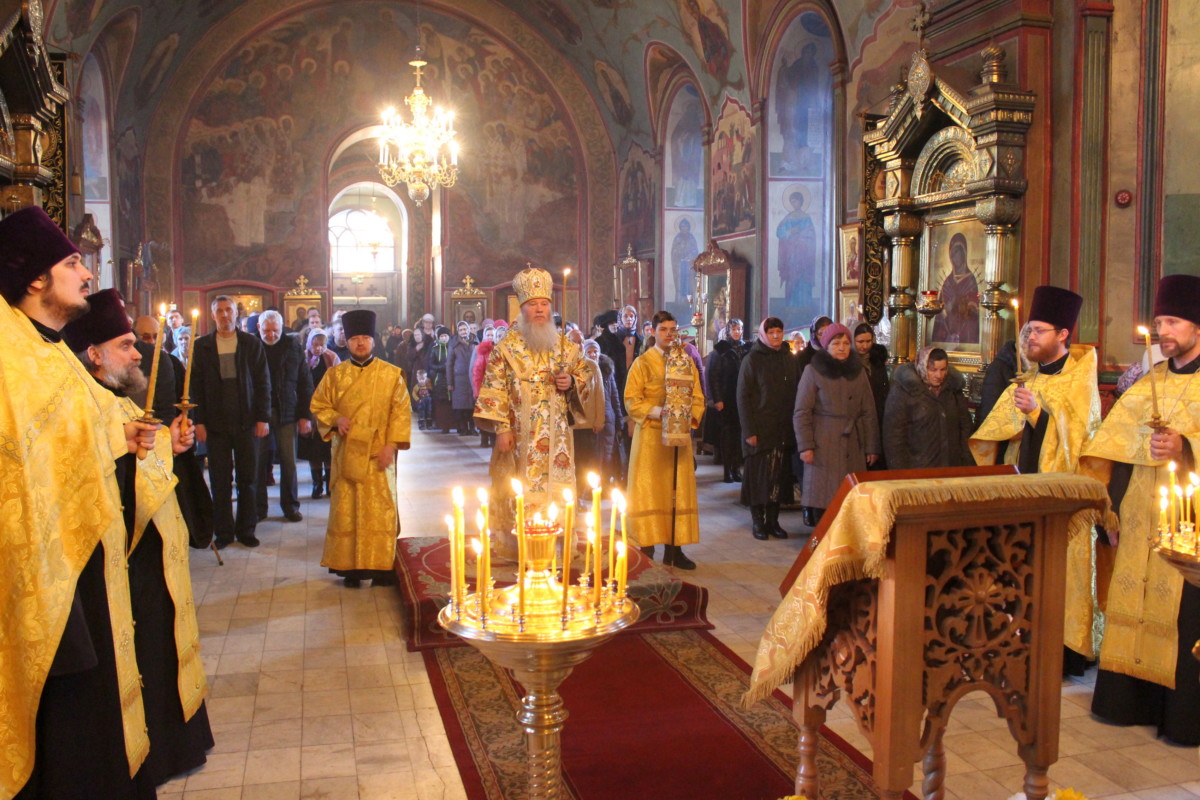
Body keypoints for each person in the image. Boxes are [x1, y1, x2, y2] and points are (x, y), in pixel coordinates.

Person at [0, 206, 153, 799]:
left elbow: (72, 436)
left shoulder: (54, 351)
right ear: (36, 278)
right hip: (36, 568)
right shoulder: (10, 356)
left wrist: (119, 437)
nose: (86, 273)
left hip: (80, 557)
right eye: (72, 263)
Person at [62, 289, 215, 788]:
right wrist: (159, 450)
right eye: (127, 344)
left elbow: (140, 467)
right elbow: (103, 482)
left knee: (162, 644)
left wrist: (170, 446)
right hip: (122, 563)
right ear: (95, 354)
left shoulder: (115, 400)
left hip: (148, 558)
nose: (137, 354)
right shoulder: (90, 405)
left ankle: (175, 739)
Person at [1080, 274, 1200, 746]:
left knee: (1182, 615)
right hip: (1140, 517)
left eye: (1173, 321)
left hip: (1187, 525)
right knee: (1135, 602)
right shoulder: (1151, 379)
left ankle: (1183, 716)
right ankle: (1129, 702)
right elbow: (1113, 444)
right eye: (1160, 322)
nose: (1163, 330)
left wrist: (1186, 447)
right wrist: (1111, 511)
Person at [970, 286, 1101, 671]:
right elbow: (1002, 433)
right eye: (1029, 330)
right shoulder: (1030, 377)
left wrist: (1039, 416)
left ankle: (1063, 651)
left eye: (1039, 330)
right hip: (1024, 490)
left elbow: (1078, 441)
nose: (1030, 337)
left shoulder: (1079, 379)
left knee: (1059, 573)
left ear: (1062, 335)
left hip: (1062, 504)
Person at [475, 266, 594, 514]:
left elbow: (586, 375)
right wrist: (502, 429)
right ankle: (518, 544)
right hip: (519, 434)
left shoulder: (565, 346)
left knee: (557, 495)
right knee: (518, 490)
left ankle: (555, 542)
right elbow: (495, 389)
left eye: (544, 304)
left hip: (557, 437)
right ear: (522, 308)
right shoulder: (505, 348)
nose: (539, 309)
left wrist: (571, 382)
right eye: (532, 304)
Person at [309, 310, 412, 588]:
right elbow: (319, 405)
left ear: (374, 341)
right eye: (355, 338)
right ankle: (350, 568)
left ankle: (381, 567)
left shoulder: (392, 376)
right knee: (348, 509)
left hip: (380, 454)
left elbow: (401, 413)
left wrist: (392, 445)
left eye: (365, 337)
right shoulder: (334, 375)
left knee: (380, 509)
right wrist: (336, 419)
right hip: (347, 454)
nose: (360, 343)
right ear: (346, 341)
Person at [625, 311, 706, 569]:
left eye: (673, 330)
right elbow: (631, 400)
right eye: (664, 330)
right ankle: (646, 548)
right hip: (650, 437)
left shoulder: (686, 362)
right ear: (653, 331)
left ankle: (675, 549)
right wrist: (660, 411)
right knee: (650, 491)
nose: (670, 334)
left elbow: (698, 396)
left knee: (676, 491)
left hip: (678, 437)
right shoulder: (642, 363)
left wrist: (686, 417)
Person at [191, 295, 272, 548]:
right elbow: (195, 387)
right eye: (220, 311)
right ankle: (224, 531)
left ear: (236, 314)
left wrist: (263, 417)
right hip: (215, 424)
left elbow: (262, 383)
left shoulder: (251, 343)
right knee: (219, 479)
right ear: (212, 315)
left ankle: (247, 529)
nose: (225, 315)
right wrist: (199, 421)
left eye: (229, 310)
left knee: (248, 478)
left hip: (246, 421)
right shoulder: (202, 346)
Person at [792, 323, 880, 525]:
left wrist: (871, 446)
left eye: (846, 343)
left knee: (850, 498)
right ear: (826, 345)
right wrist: (806, 445)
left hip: (853, 442)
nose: (842, 347)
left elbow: (868, 411)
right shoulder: (813, 371)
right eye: (836, 343)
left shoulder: (858, 372)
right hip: (824, 442)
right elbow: (802, 412)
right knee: (825, 497)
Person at [738, 317, 800, 540]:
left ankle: (773, 521)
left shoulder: (788, 358)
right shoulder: (752, 359)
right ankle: (758, 522)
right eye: (771, 332)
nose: (776, 336)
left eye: (779, 332)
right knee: (759, 477)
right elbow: (743, 397)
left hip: (783, 427)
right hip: (760, 428)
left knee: (779, 478)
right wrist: (749, 431)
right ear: (764, 334)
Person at [256, 309, 313, 522]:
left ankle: (290, 506)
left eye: (275, 330)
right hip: (259, 413)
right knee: (259, 462)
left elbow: (305, 381)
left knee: (289, 462)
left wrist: (305, 415)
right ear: (259, 329)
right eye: (266, 330)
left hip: (287, 411)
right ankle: (259, 507)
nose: (270, 334)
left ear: (282, 329)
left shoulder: (292, 346)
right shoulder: (253, 346)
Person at [882, 346, 972, 469]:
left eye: (943, 369)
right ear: (923, 367)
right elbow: (894, 436)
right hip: (917, 468)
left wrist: (965, 461)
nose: (939, 375)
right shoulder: (904, 391)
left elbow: (965, 426)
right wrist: (900, 472)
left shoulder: (952, 389)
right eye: (933, 370)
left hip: (951, 466)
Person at [707, 318, 748, 483]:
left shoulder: (747, 348)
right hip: (727, 397)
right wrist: (717, 398)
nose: (737, 332)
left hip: (743, 398)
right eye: (734, 329)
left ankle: (737, 468)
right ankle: (727, 470)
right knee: (728, 435)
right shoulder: (721, 350)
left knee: (740, 435)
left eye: (739, 329)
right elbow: (714, 376)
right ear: (729, 331)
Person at [300, 329, 339, 498]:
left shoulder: (332, 357)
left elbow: (339, 381)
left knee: (327, 447)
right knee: (313, 449)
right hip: (309, 407)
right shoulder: (303, 357)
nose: (318, 348)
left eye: (322, 344)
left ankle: (330, 484)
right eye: (315, 344)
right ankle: (317, 485)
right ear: (309, 343)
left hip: (328, 407)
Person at [853, 322, 889, 468]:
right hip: (859, 418)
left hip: (879, 414)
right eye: (860, 341)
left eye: (868, 341)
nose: (865, 345)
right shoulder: (849, 363)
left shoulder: (878, 361)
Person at [447, 320, 477, 435]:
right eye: (461, 330)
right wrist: (450, 382)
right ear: (458, 332)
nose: (463, 331)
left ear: (469, 330)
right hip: (459, 379)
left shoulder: (476, 342)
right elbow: (449, 364)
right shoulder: (453, 344)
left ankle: (473, 428)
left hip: (473, 379)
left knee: (473, 406)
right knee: (461, 407)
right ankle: (463, 428)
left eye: (465, 329)